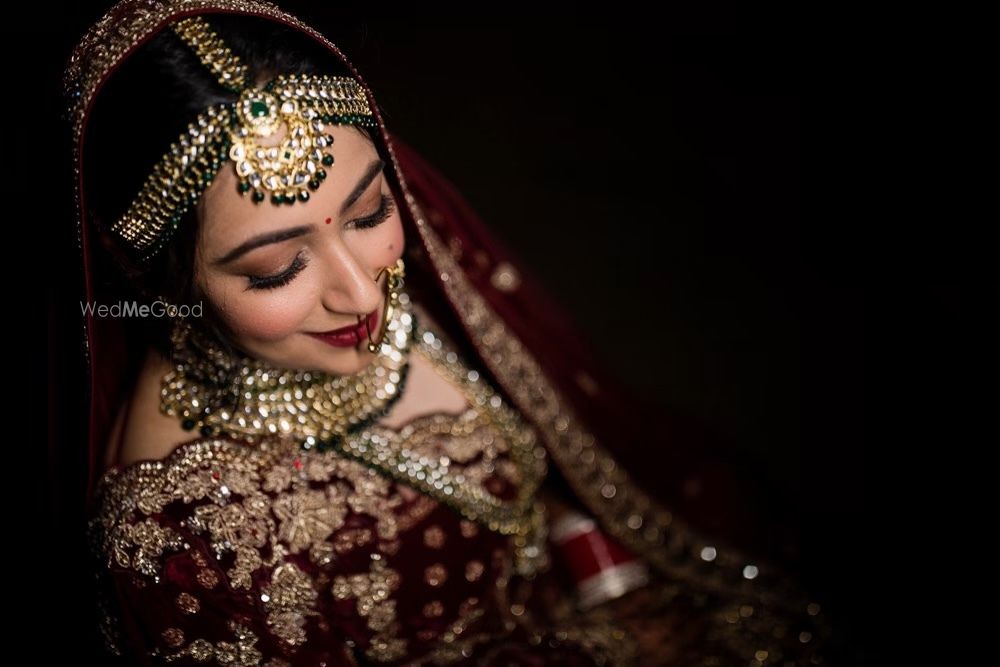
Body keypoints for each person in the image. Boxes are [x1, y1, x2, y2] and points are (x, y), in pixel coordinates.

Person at [62, 1, 831, 665]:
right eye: (274, 269)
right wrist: (613, 647)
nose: (364, 291)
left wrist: (589, 550)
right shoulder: (179, 543)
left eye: (368, 214)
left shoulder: (407, 284)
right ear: (156, 281)